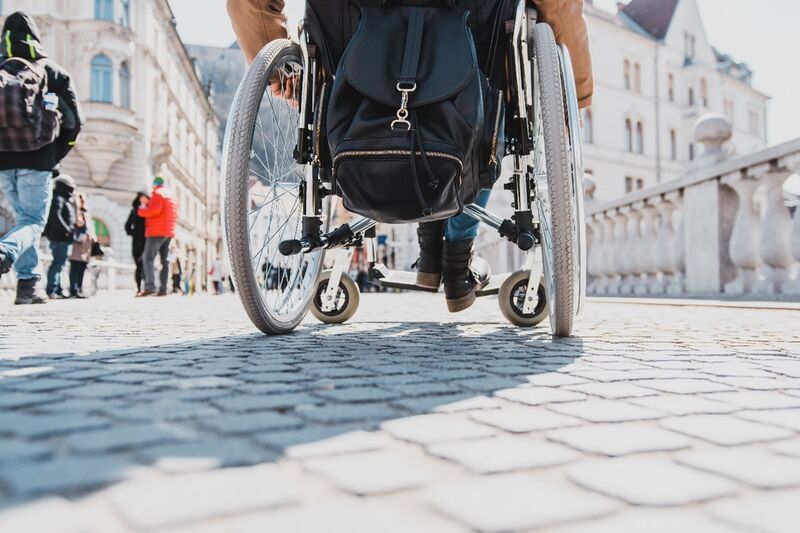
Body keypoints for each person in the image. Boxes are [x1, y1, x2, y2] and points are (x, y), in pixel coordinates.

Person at [226, 0, 594, 312]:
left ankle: (431, 252)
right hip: (473, 80)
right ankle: (455, 257)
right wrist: (572, 97)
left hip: (351, 91)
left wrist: (278, 64)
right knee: (481, 96)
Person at [0, 12, 83, 305]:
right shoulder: (54, 72)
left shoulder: (1, 68)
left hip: (3, 161)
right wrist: (54, 156)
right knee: (32, 221)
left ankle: (27, 285)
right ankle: (6, 252)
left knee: (23, 219)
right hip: (39, 160)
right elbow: (74, 123)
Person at [137, 176, 177, 297]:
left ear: (155, 184)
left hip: (156, 232)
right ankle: (163, 288)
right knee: (165, 261)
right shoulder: (172, 196)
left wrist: (141, 210)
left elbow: (154, 210)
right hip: (169, 232)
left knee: (147, 258)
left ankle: (150, 287)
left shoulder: (157, 194)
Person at [43, 175, 78, 299]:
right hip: (60, 237)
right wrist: (67, 230)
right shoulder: (58, 198)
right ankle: (51, 290)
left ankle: (57, 289)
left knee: (60, 264)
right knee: (57, 263)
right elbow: (56, 216)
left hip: (63, 237)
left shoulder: (63, 198)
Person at [125, 191, 149, 293]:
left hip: (148, 241)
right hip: (137, 242)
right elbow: (127, 226)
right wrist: (134, 233)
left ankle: (147, 287)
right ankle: (139, 288)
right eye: (141, 198)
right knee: (139, 266)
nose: (143, 200)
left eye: (145, 198)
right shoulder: (134, 211)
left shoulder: (150, 210)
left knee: (147, 265)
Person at [68, 213, 92, 298]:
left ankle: (79, 289)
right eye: (77, 219)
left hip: (84, 257)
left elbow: (89, 245)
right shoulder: (73, 230)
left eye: (80, 219)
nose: (79, 221)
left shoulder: (87, 231)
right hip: (74, 256)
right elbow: (77, 240)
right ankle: (73, 290)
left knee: (81, 274)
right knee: (73, 274)